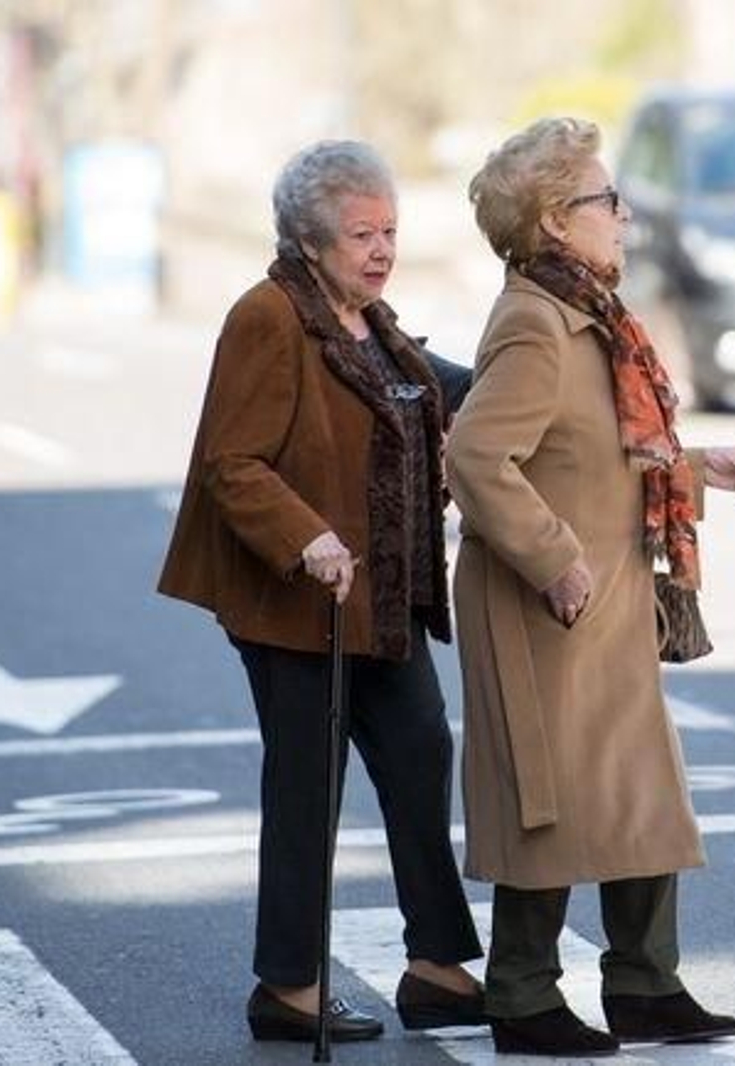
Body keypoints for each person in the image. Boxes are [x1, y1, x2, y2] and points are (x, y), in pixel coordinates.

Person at [444, 117, 735, 1058]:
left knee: (638, 791)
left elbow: (605, 452)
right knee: (546, 798)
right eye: (605, 200)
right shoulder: (535, 322)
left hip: (610, 596)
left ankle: (642, 985)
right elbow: (476, 456)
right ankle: (519, 995)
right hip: (547, 601)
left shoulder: (595, 317)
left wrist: (705, 466)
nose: (624, 215)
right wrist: (553, 559)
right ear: (554, 220)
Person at [158, 140, 484, 1044]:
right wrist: (307, 536)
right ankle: (287, 986)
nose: (381, 250)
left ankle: (436, 968)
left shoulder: (368, 320)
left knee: (421, 754)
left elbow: (433, 384)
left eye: (390, 231)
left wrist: (525, 368)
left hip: (380, 602)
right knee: (308, 786)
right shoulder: (267, 317)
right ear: (309, 240)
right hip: (298, 604)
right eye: (360, 235)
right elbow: (234, 461)